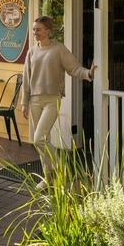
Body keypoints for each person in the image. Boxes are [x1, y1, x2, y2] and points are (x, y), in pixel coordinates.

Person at [21, 15, 97, 177]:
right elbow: (26, 78)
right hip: (34, 100)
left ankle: (60, 168)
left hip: (52, 99)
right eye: (34, 29)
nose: (35, 32)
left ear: (48, 31)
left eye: (38, 29)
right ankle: (48, 178)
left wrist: (88, 73)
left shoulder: (58, 49)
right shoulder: (31, 52)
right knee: (44, 140)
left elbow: (74, 68)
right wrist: (24, 102)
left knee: (38, 139)